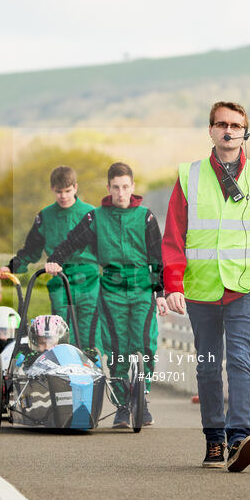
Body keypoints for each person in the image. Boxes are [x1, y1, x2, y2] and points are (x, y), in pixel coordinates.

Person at [162, 100, 250, 472]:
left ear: (244, 132)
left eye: (235, 125)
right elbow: (173, 237)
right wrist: (172, 284)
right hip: (201, 288)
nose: (228, 130)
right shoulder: (189, 176)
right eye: (221, 124)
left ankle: (239, 438)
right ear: (211, 131)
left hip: (245, 285)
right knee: (207, 366)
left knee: (238, 360)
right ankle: (214, 440)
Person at [46, 162, 167, 429]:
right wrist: (55, 259)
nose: (121, 193)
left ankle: (141, 399)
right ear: (108, 188)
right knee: (116, 349)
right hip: (111, 289)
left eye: (125, 187)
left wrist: (160, 293)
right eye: (116, 187)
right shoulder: (95, 217)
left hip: (141, 289)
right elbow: (70, 241)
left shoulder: (146, 217)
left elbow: (157, 258)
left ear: (132, 187)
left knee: (145, 344)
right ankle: (123, 406)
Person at [8, 166, 102, 351]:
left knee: (90, 328)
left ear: (75, 188)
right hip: (59, 277)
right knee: (59, 328)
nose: (63, 196)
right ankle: (63, 370)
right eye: (59, 192)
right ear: (52, 189)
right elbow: (31, 250)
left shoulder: (91, 214)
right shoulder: (45, 216)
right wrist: (11, 267)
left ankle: (93, 368)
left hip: (88, 278)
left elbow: (106, 249)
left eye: (67, 191)